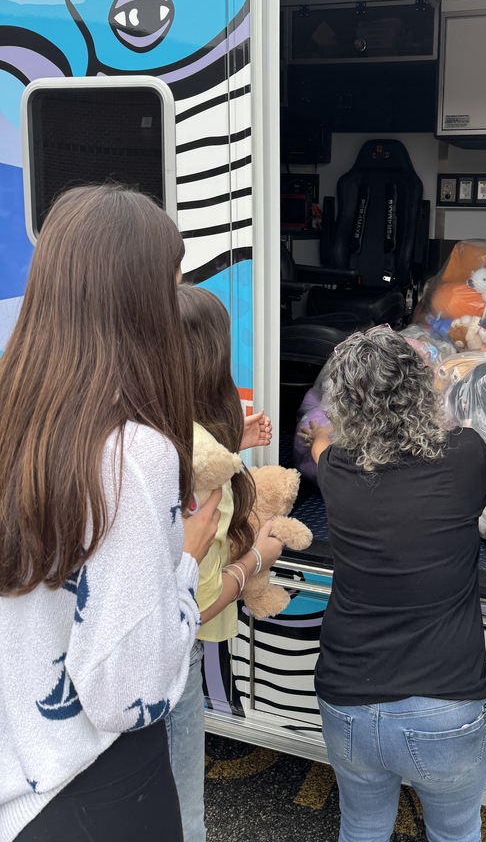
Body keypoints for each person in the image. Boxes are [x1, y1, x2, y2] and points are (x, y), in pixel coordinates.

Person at [0, 184, 223, 842]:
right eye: (171, 286)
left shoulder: (16, 420)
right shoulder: (133, 454)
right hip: (95, 786)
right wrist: (185, 561)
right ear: (140, 302)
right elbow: (127, 691)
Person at [301, 325, 486, 842]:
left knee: (362, 827)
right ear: (421, 388)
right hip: (446, 704)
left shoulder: (337, 471)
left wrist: (321, 431)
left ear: (344, 406)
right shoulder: (466, 456)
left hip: (348, 701)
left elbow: (322, 445)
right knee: (454, 832)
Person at [166, 284, 283, 842]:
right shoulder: (207, 468)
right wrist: (256, 558)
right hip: (170, 657)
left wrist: (233, 438)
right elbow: (199, 599)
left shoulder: (142, 429)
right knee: (184, 815)